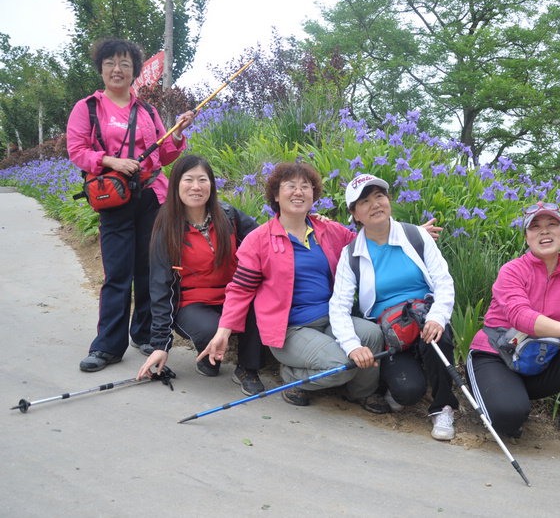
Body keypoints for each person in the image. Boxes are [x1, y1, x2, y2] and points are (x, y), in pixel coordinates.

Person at [199, 163, 440, 413]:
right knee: (341, 362)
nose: (298, 192)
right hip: (291, 329)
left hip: (330, 318)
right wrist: (223, 332)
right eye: (290, 186)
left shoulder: (328, 230)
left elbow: (369, 240)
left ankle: (361, 392)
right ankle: (292, 376)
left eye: (306, 187)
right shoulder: (258, 240)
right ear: (275, 195)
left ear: (314, 195)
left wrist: (409, 235)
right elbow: (240, 290)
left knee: (371, 334)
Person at [66, 38, 195, 372]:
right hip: (114, 197)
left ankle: (145, 335)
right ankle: (107, 345)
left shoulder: (148, 111)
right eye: (110, 63)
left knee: (150, 270)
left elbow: (164, 154)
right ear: (101, 69)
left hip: (152, 197)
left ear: (135, 71)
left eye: (124, 64)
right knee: (118, 273)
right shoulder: (88, 108)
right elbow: (77, 150)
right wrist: (111, 160)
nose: (117, 69)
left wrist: (179, 134)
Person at [466, 202, 560, 473]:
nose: (544, 231)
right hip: (497, 356)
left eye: (551, 225)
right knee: (507, 417)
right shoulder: (512, 270)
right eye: (535, 226)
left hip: (539, 361)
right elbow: (519, 315)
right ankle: (504, 400)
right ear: (526, 237)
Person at [328, 174, 459, 441]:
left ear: (389, 201)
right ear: (355, 214)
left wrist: (437, 316)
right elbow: (338, 307)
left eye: (379, 196)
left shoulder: (416, 235)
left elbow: (444, 282)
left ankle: (443, 406)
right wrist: (353, 345)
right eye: (364, 201)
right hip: (391, 334)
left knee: (439, 335)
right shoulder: (351, 254)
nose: (375, 204)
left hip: (424, 319)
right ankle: (407, 378)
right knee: (407, 393)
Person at [135, 155, 267, 395]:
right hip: (193, 304)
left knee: (261, 303)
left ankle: (248, 368)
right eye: (188, 180)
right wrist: (161, 345)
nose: (196, 186)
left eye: (202, 180)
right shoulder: (167, 228)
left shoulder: (229, 216)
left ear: (211, 185)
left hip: (232, 297)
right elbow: (160, 288)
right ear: (176, 185)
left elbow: (265, 238)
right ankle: (206, 355)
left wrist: (303, 223)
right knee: (211, 329)